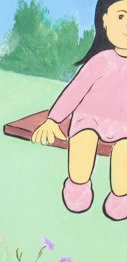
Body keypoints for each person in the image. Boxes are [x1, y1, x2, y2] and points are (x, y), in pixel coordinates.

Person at [31, 0, 127, 220]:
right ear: (105, 21)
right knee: (83, 143)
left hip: (125, 126)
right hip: (90, 119)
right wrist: (53, 120)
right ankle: (78, 186)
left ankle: (120, 196)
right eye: (121, 17)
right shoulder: (100, 61)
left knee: (125, 155)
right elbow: (74, 92)